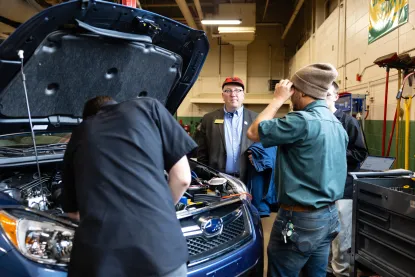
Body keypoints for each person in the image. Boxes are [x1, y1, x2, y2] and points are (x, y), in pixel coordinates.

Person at [61, 96, 197, 277]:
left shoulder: (80, 133)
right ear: (116, 104)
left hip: (103, 262)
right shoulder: (149, 107)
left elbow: (74, 213)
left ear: (89, 118)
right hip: (163, 254)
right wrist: (158, 210)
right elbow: (182, 179)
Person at [246, 63, 349, 277]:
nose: (291, 96)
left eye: (294, 91)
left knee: (281, 271)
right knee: (315, 273)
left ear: (301, 91)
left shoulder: (300, 121)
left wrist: (277, 99)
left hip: (301, 219)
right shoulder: (335, 123)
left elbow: (254, 132)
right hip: (328, 216)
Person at [326, 82, 368, 277]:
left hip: (343, 189)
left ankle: (341, 273)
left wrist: (333, 153)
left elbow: (360, 153)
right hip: (319, 190)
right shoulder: (313, 122)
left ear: (336, 97)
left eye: (327, 94)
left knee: (341, 238)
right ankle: (325, 270)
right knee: (322, 237)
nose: (322, 99)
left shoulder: (348, 122)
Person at [196, 76, 257, 183]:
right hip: (217, 179)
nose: (233, 94)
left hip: (248, 180)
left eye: (238, 90)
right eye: (228, 91)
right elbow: (202, 153)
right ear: (222, 95)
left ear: (243, 95)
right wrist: (206, 177)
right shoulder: (209, 119)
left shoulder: (256, 118)